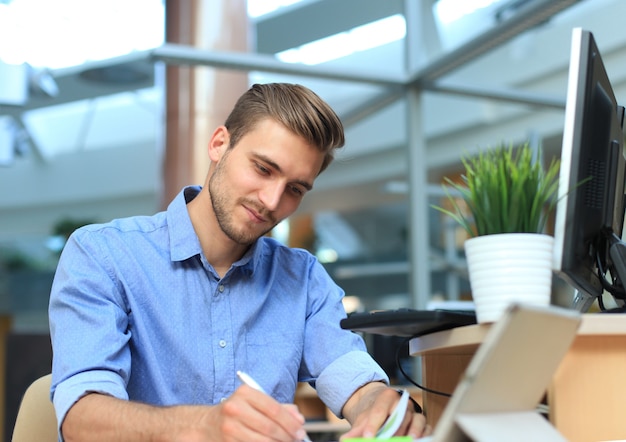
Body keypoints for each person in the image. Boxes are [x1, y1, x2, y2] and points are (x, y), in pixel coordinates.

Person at [48, 82, 430, 441]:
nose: (271, 201)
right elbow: (82, 419)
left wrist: (375, 403)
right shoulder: (103, 255)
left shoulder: (303, 278)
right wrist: (204, 425)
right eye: (263, 169)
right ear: (219, 144)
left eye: (295, 189)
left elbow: (347, 373)